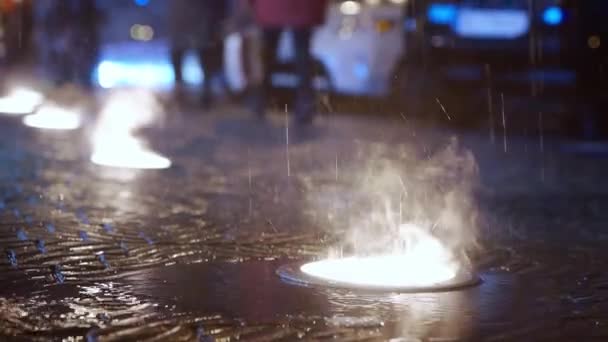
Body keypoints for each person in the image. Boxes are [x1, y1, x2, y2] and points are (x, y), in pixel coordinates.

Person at [247, 0, 328, 124]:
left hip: (272, 6)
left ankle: (260, 98)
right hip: (303, 6)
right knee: (302, 52)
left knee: (268, 51)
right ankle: (305, 103)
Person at [169, 0, 230, 108]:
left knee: (199, 56)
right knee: (197, 56)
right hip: (194, 22)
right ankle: (192, 92)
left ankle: (201, 93)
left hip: (194, 21)